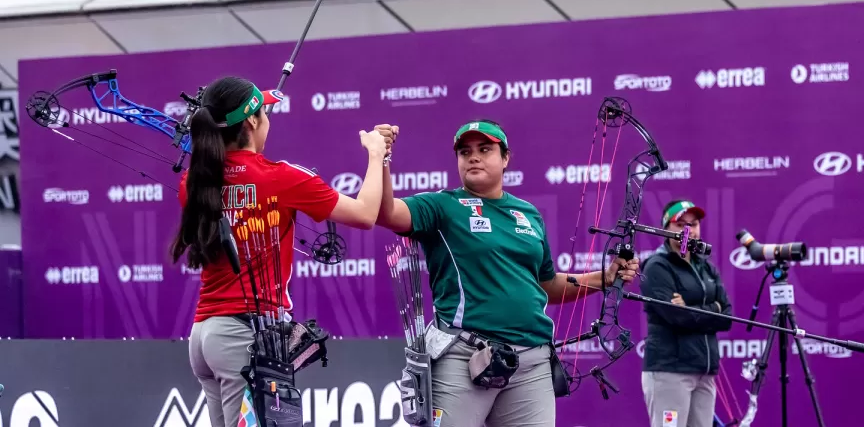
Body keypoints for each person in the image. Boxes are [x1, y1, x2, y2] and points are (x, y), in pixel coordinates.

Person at [374, 119, 640, 427]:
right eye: (465, 151)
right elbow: (387, 213)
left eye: (484, 149)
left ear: (505, 158)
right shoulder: (442, 206)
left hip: (530, 360)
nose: (473, 157)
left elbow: (546, 284)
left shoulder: (527, 213)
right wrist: (381, 159)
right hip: (463, 356)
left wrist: (604, 278)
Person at [169, 76, 389, 427]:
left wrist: (258, 102)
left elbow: (232, 156)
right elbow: (365, 214)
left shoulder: (195, 181)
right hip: (243, 337)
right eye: (261, 113)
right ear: (253, 120)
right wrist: (377, 154)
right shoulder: (281, 178)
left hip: (206, 337)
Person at [639, 199, 732, 427]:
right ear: (666, 229)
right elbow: (676, 317)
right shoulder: (657, 266)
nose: (689, 230)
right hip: (670, 370)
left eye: (695, 224)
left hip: (704, 370)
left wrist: (694, 309)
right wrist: (714, 309)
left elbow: (727, 315)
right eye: (681, 225)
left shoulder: (706, 267)